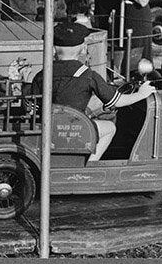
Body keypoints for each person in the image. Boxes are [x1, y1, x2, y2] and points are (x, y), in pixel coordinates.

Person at [30, 21, 155, 161]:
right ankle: (90, 165)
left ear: (53, 49)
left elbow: (33, 106)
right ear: (84, 49)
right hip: (75, 130)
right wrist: (141, 94)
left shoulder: (42, 75)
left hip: (50, 131)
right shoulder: (88, 76)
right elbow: (117, 101)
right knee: (110, 128)